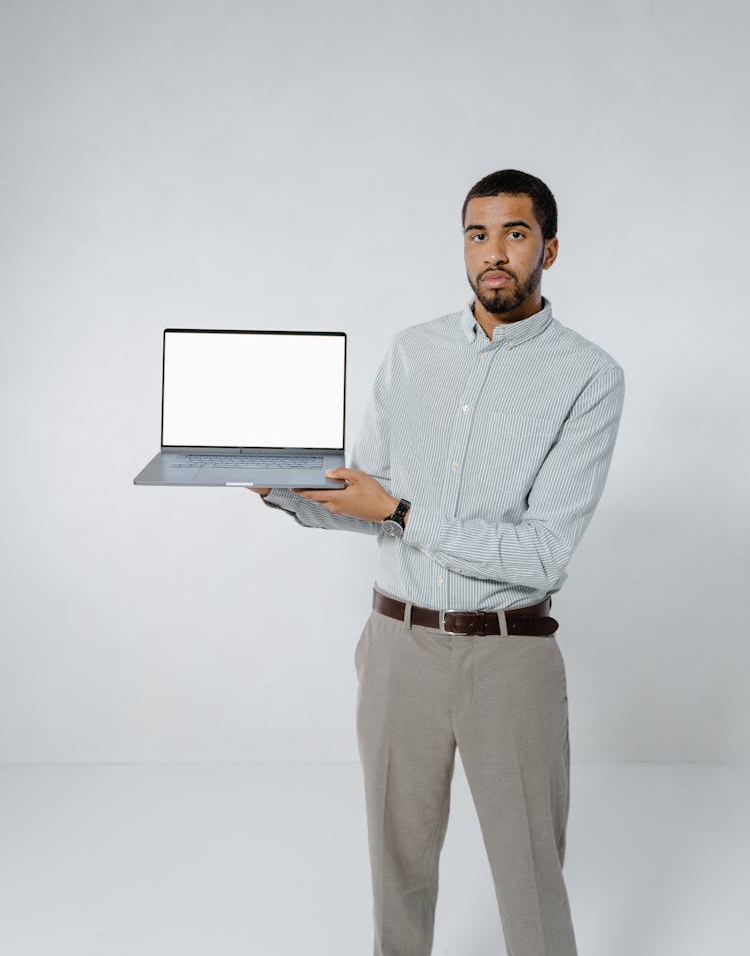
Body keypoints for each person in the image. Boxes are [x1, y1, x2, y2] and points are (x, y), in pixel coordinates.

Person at [249, 168, 625, 956]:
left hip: (510, 656)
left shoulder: (589, 377)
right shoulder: (412, 353)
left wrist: (399, 510)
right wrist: (279, 486)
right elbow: (369, 504)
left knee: (529, 881)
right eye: (477, 234)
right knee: (397, 873)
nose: (494, 253)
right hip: (396, 650)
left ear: (549, 249)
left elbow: (540, 552)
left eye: (515, 235)